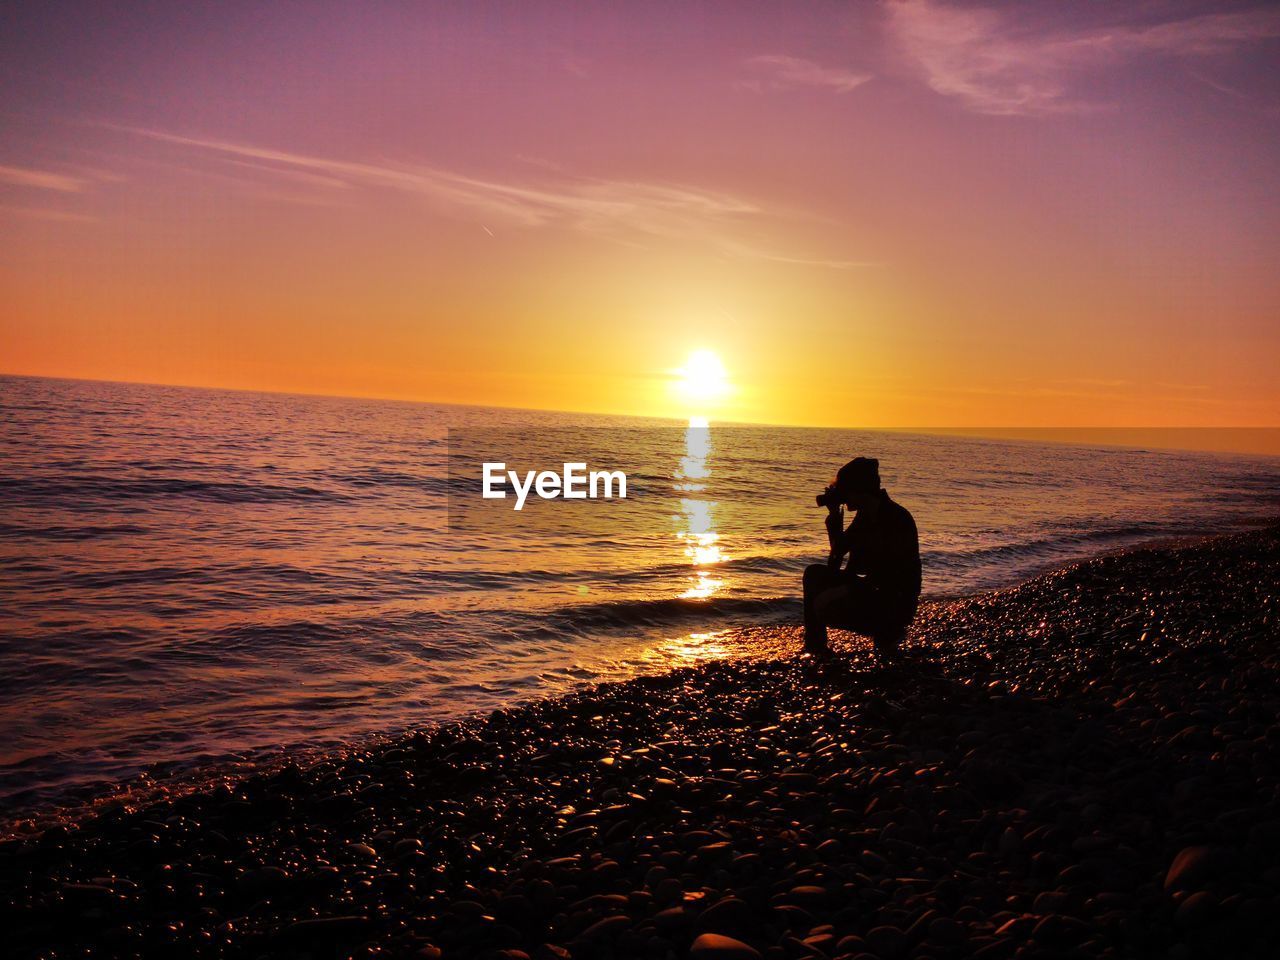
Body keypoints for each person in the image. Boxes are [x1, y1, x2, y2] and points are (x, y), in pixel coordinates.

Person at [803, 457, 921, 660]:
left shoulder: (896, 519)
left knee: (827, 600)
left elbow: (890, 578)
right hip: (872, 592)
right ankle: (815, 647)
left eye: (844, 491)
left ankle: (888, 633)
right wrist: (834, 516)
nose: (843, 497)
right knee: (813, 574)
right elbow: (838, 553)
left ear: (858, 490)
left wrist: (838, 592)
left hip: (893, 602)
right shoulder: (865, 515)